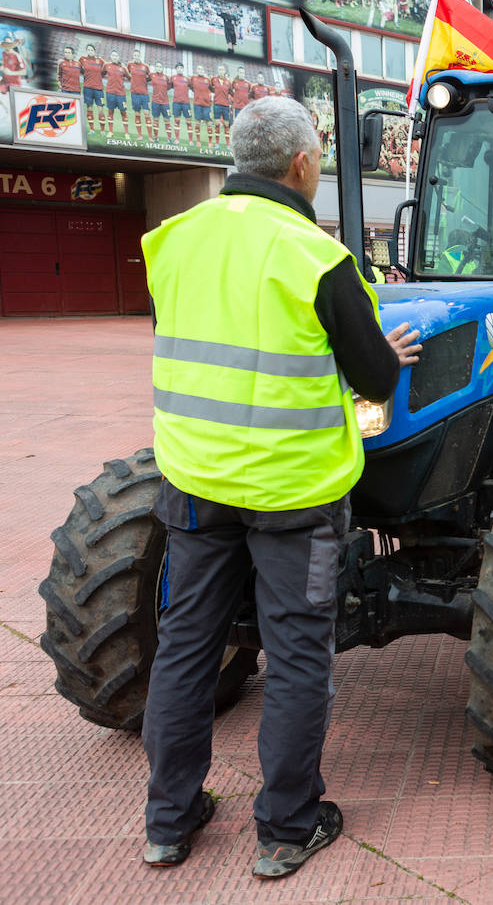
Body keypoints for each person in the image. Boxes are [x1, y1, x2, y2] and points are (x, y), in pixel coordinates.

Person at [139, 96, 422, 878]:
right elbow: (370, 378)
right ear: (303, 164)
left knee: (187, 648)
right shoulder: (320, 257)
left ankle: (168, 821)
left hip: (195, 482)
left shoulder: (172, 240)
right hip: (294, 496)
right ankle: (288, 828)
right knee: (298, 656)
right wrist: (383, 353)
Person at [79, 44, 105, 136]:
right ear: (86, 51)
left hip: (99, 89)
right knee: (89, 108)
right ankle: (92, 129)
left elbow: (104, 72)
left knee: (100, 109)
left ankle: (102, 130)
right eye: (88, 50)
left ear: (94, 51)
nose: (90, 51)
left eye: (91, 50)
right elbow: (80, 70)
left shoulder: (100, 60)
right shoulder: (82, 59)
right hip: (87, 88)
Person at [102, 50, 129, 139]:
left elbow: (129, 77)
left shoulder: (123, 68)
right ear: (111, 57)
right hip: (110, 93)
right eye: (113, 55)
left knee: (123, 112)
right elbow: (101, 74)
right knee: (110, 112)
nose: (114, 57)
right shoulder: (106, 65)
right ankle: (110, 132)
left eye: (116, 56)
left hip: (121, 94)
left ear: (118, 57)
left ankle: (126, 133)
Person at [128, 49, 151, 141]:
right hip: (134, 93)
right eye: (135, 55)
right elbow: (128, 74)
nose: (136, 57)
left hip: (144, 94)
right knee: (137, 113)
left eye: (137, 55)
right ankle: (140, 135)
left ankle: (150, 136)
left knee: (147, 113)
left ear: (140, 56)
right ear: (133, 56)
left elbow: (149, 77)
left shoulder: (145, 66)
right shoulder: (130, 65)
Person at [170, 63, 192, 144]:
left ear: (183, 69)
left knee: (188, 122)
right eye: (178, 68)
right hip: (176, 103)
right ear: (176, 69)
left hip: (186, 103)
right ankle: (177, 139)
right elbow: (169, 86)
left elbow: (192, 87)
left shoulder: (187, 79)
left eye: (181, 68)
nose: (179, 69)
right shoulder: (173, 78)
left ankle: (190, 141)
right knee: (177, 121)